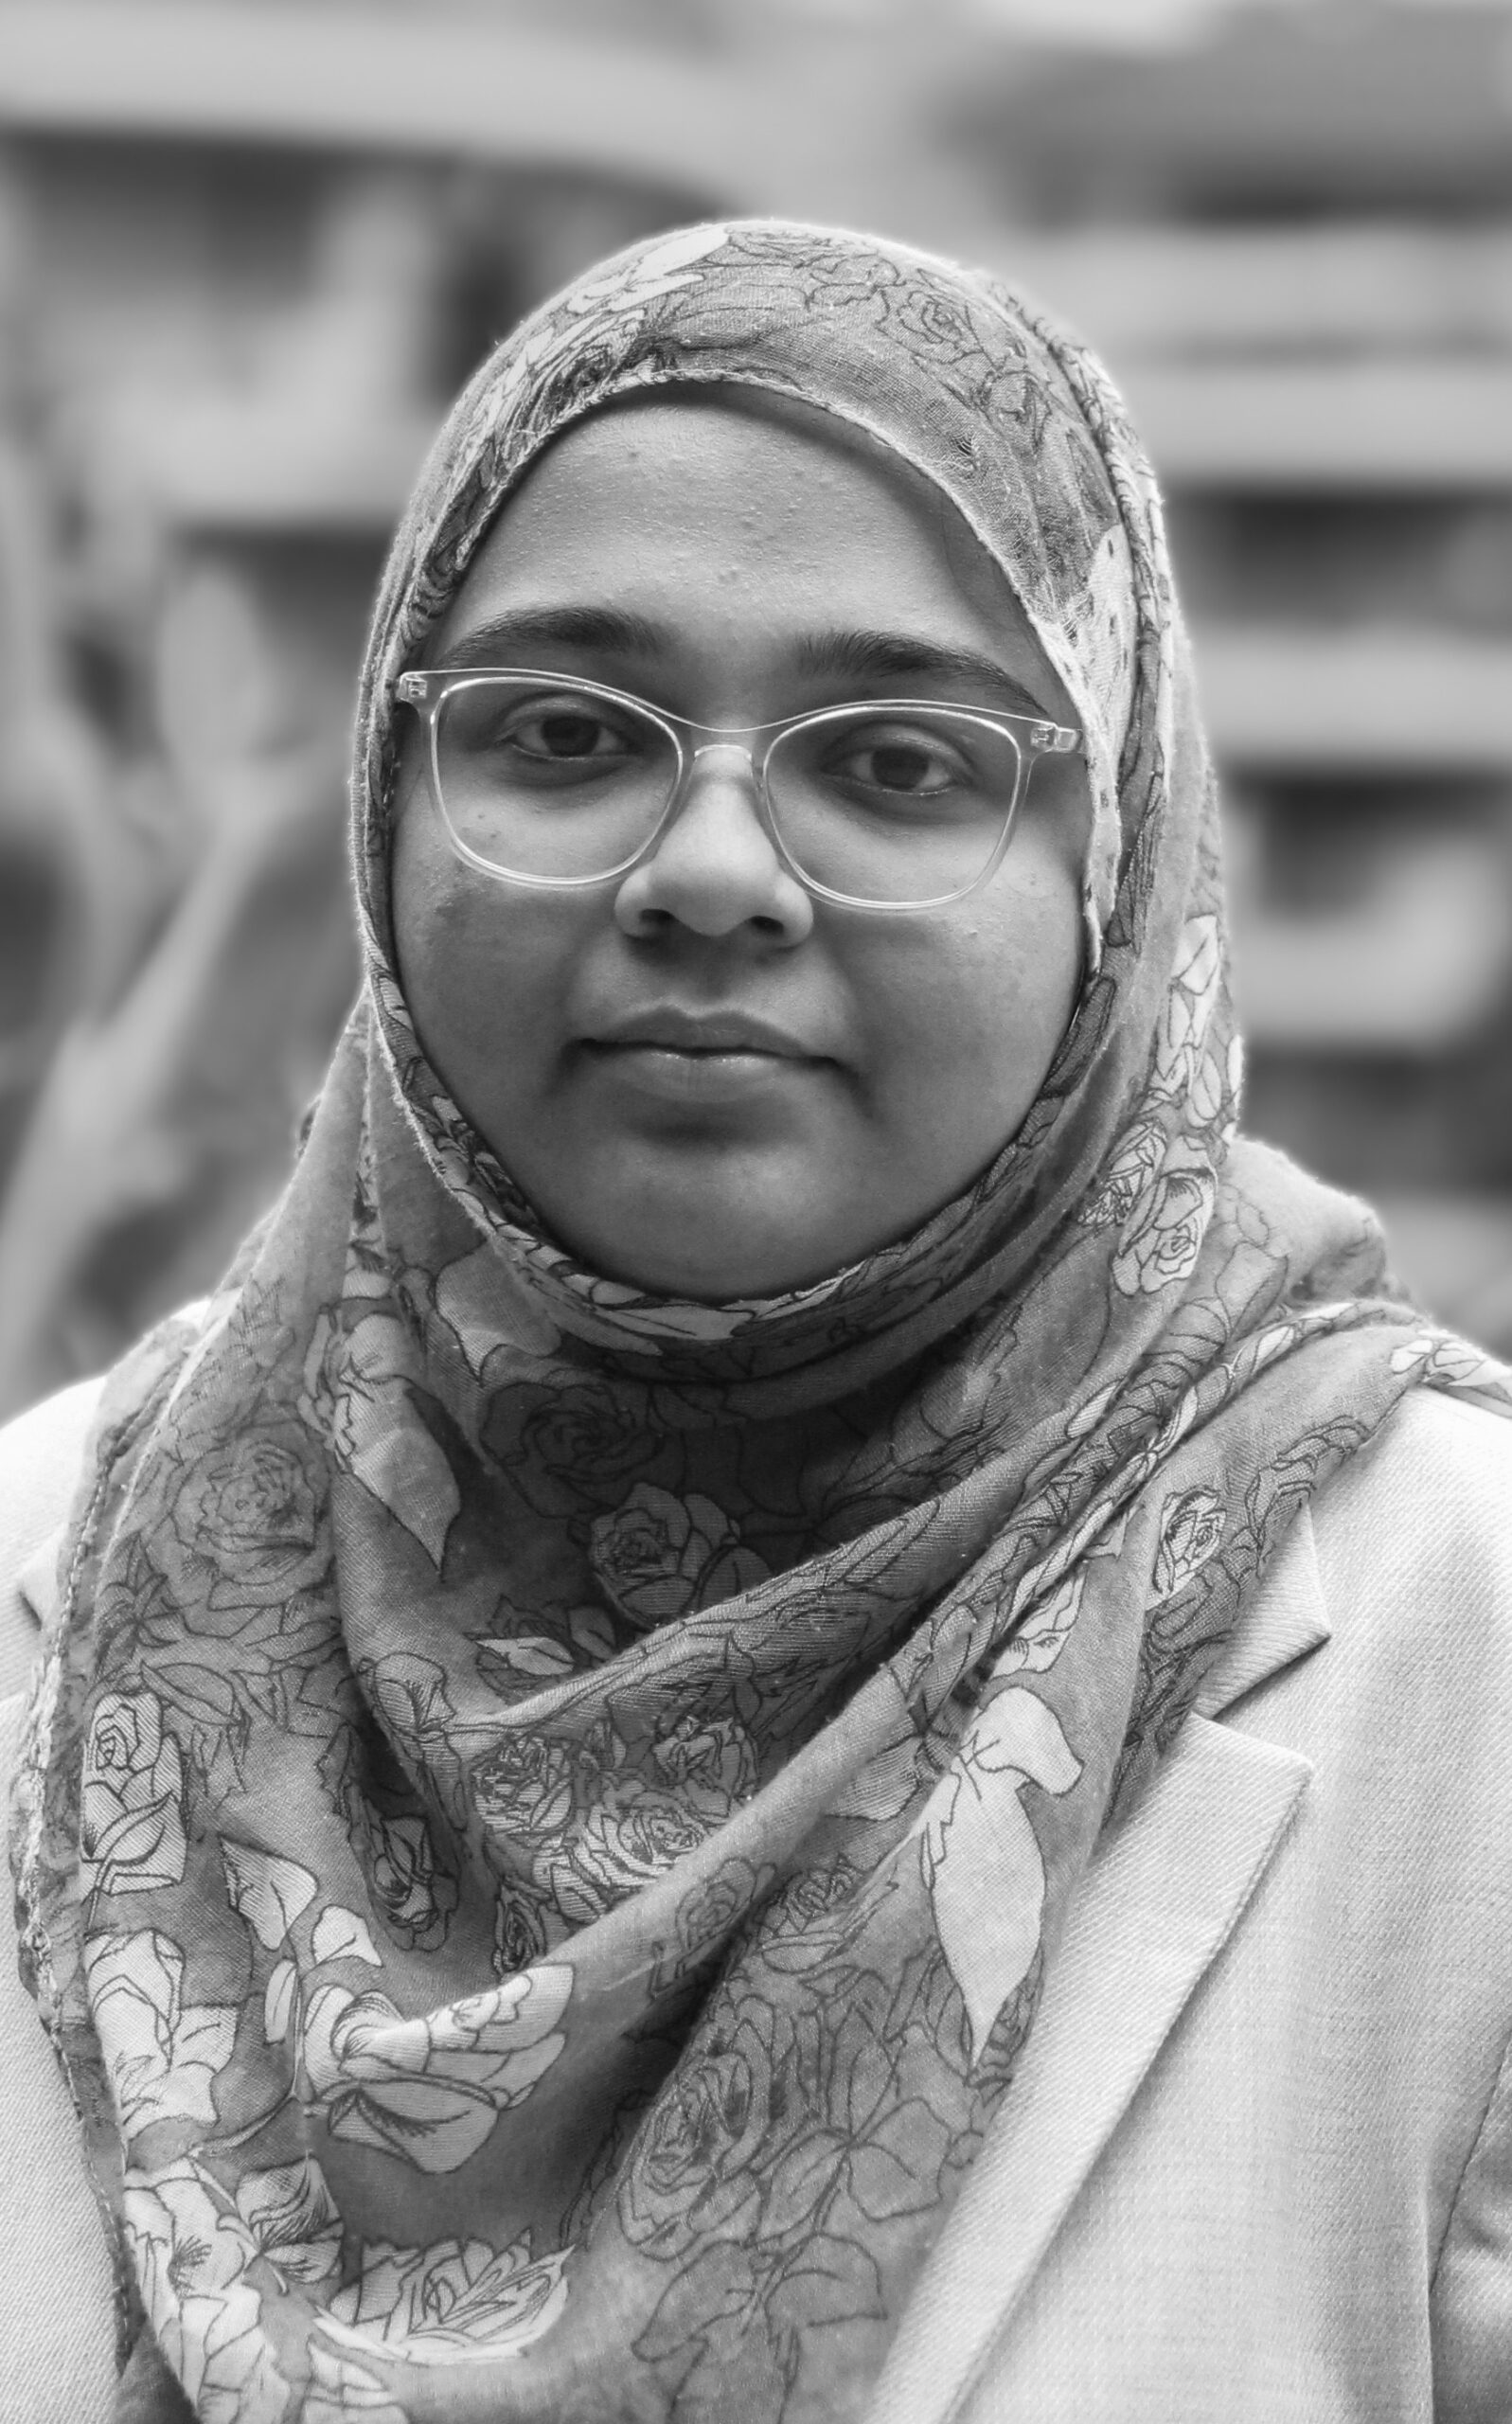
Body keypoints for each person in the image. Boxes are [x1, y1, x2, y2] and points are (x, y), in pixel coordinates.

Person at [3, 218, 1511, 2424]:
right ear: (387, 804)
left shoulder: (1460, 1655)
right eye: (557, 730)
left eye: (896, 761)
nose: (708, 866)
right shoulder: (42, 1583)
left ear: (1120, 865)